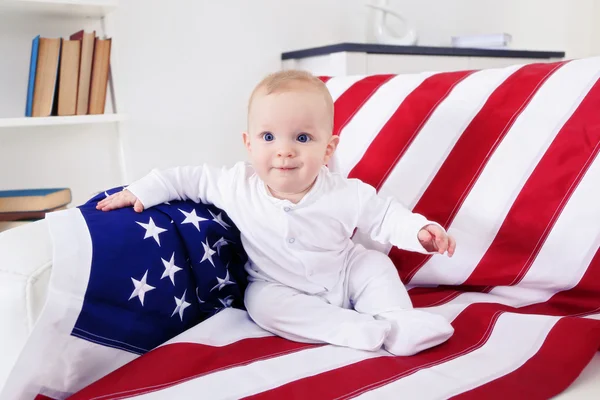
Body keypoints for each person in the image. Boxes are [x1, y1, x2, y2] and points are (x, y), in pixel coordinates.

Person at [97, 70, 457, 356]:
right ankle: (357, 329)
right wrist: (138, 191)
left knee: (375, 266)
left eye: (302, 138)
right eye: (268, 138)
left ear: (328, 148)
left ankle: (400, 322)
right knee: (262, 305)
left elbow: (386, 217)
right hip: (279, 284)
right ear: (248, 144)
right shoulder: (236, 184)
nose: (284, 151)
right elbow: (184, 179)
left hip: (344, 273)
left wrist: (420, 231)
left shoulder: (346, 192)